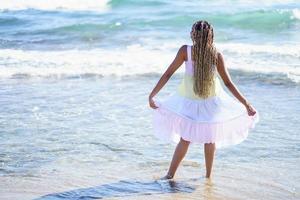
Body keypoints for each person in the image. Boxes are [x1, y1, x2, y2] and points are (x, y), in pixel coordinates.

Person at [148, 20, 259, 179]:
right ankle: (208, 177)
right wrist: (246, 103)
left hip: (189, 102)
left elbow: (167, 74)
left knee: (185, 139)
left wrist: (152, 94)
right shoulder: (216, 54)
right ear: (211, 35)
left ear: (193, 34)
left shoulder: (185, 51)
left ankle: (170, 175)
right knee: (210, 140)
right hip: (211, 103)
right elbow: (228, 83)